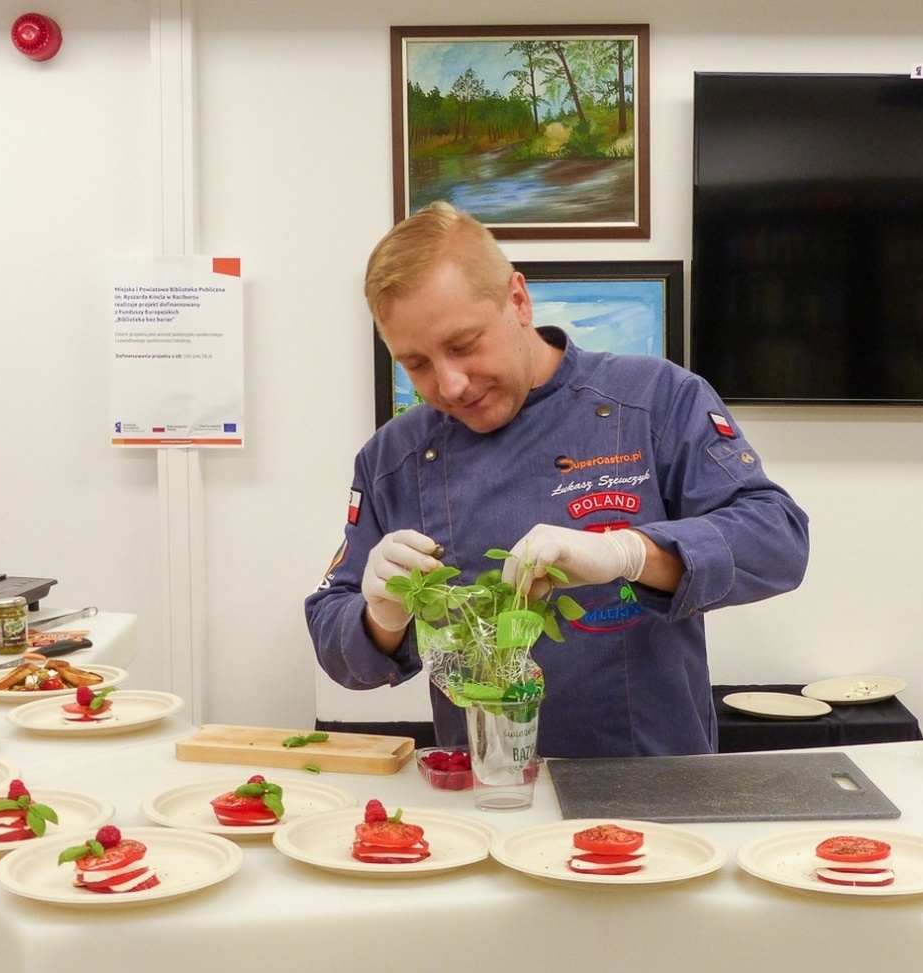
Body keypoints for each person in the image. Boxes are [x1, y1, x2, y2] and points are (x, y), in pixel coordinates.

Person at [305, 201, 809, 758]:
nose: (449, 384)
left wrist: (631, 553)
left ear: (518, 300)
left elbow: (778, 540)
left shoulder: (653, 400)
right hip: (489, 792)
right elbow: (339, 649)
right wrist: (380, 615)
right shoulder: (392, 458)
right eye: (417, 364)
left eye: (464, 345)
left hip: (656, 789)